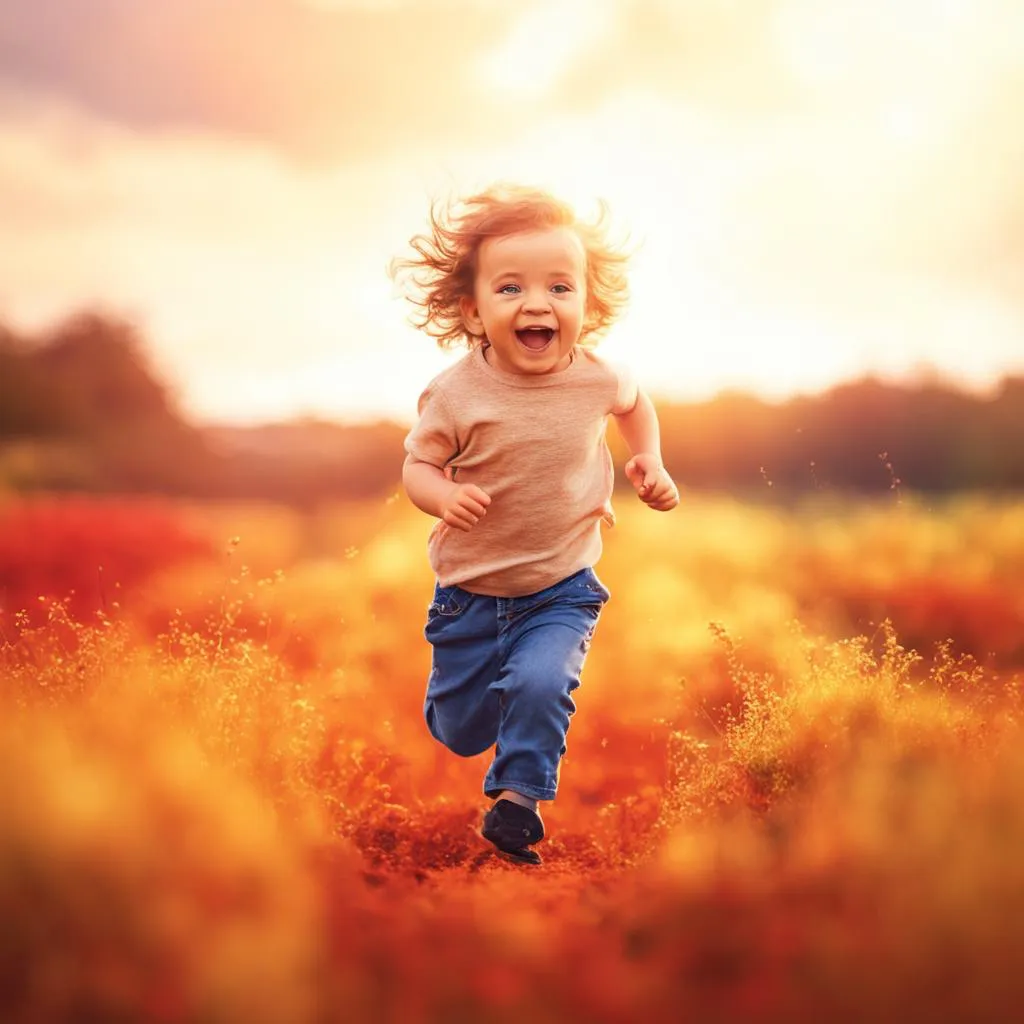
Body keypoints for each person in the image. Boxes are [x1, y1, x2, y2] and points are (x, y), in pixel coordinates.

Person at [393, 184, 679, 865]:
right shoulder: (456, 393)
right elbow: (416, 468)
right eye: (511, 287)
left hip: (561, 587)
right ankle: (467, 711)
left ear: (587, 301)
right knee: (460, 732)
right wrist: (440, 497)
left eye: (559, 286)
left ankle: (519, 803)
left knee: (542, 683)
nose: (537, 304)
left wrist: (648, 459)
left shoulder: (599, 377)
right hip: (470, 593)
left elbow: (637, 406)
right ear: (473, 308)